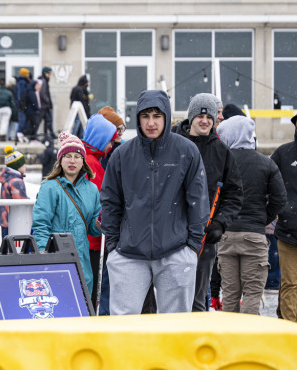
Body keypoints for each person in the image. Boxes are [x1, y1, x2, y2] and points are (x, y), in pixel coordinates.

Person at [101, 90, 208, 315]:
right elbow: (111, 201)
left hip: (176, 251)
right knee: (123, 327)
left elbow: (197, 200)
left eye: (157, 116)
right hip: (128, 253)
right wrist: (113, 246)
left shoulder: (186, 151)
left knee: (175, 328)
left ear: (166, 117)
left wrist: (192, 245)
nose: (151, 122)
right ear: (138, 118)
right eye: (145, 116)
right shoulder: (122, 155)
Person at [170, 93, 244, 312]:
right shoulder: (173, 145)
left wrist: (220, 223)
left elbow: (234, 193)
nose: (205, 120)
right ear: (191, 117)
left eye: (209, 117)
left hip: (204, 237)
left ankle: (195, 344)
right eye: (200, 116)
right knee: (172, 297)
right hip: (171, 234)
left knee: (197, 299)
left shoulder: (221, 151)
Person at [216, 116, 286, 315]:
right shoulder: (266, 163)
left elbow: (212, 196)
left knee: (229, 294)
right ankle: (247, 342)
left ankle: (228, 340)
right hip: (254, 237)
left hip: (226, 236)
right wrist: (262, 219)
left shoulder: (222, 162)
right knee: (252, 294)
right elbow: (280, 198)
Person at [31, 133, 102, 294]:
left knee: (82, 308)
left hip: (82, 260)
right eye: (67, 156)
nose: (72, 161)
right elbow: (41, 223)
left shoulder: (91, 189)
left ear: (83, 160)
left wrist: (99, 223)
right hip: (55, 258)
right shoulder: (49, 187)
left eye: (77, 156)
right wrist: (43, 252)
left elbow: (92, 228)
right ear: (60, 160)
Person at [80, 113, 117, 306]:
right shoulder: (92, 164)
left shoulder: (90, 159)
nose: (111, 145)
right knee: (93, 290)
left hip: (90, 238)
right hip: (93, 239)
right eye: (109, 141)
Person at [270, 113, 297, 322]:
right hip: (288, 231)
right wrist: (278, 212)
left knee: (290, 283)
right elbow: (268, 186)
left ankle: (283, 317)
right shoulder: (283, 153)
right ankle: (291, 330)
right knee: (290, 282)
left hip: (287, 225)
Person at [0, 145, 28, 239]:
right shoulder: (16, 182)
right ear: (18, 166)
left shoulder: (7, 179)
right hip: (14, 221)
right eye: (23, 164)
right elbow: (22, 202)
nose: (25, 167)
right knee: (14, 248)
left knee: (6, 246)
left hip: (5, 220)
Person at [37, 67, 55, 141]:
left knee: (48, 120)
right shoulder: (44, 81)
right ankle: (33, 135)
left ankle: (49, 135)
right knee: (41, 121)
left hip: (45, 106)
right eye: (48, 73)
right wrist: (47, 101)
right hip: (44, 105)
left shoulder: (44, 81)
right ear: (45, 73)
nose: (49, 75)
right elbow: (42, 94)